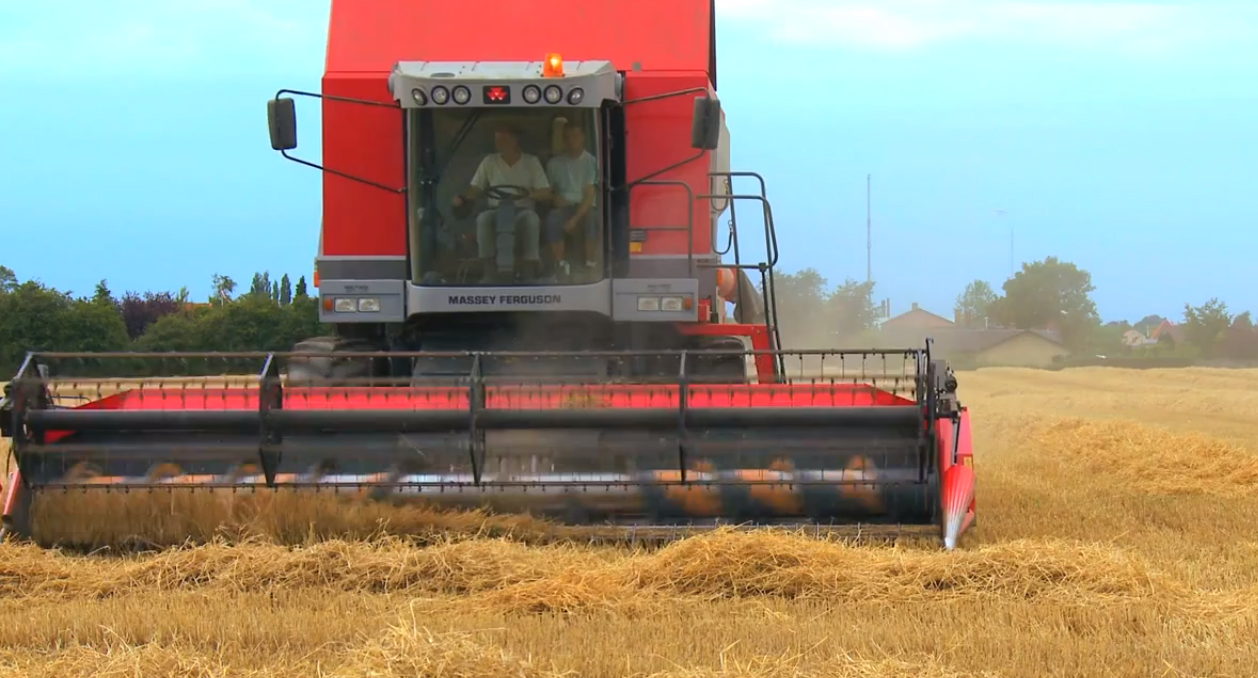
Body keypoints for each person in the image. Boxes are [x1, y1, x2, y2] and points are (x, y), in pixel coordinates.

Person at [452, 124, 552, 281]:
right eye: (497, 139)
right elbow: (476, 188)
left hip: (522, 211)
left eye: (503, 138)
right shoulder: (489, 162)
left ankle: (529, 270)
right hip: (495, 211)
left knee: (531, 219)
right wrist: (462, 198)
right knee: (483, 219)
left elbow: (546, 191)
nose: (499, 143)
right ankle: (489, 271)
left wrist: (529, 194)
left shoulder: (531, 162)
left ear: (515, 140)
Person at [544, 122, 600, 279]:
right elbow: (548, 190)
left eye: (575, 136)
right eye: (568, 137)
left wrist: (575, 219)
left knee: (592, 219)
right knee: (553, 218)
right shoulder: (554, 163)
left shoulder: (592, 161)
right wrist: (555, 198)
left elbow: (590, 194)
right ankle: (560, 264)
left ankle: (591, 264)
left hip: (585, 206)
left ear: (583, 138)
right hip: (564, 206)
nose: (572, 140)